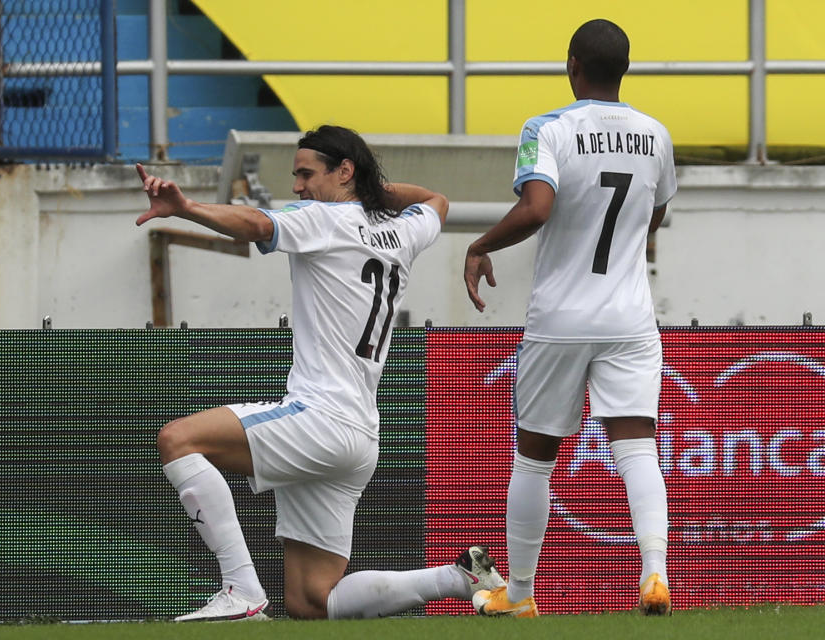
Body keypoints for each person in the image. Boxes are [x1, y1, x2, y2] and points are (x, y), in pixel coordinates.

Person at [136, 124, 505, 621]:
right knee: (312, 602)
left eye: (306, 173)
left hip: (320, 419)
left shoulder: (324, 219)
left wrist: (188, 209)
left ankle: (241, 590)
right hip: (359, 438)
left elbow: (255, 224)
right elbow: (436, 200)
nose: (297, 187)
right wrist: (372, 192)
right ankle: (458, 577)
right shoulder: (404, 230)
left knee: (178, 440)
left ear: (344, 171)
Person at [464, 19, 677, 617]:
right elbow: (652, 216)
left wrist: (479, 245)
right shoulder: (656, 134)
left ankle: (523, 595)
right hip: (631, 319)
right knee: (637, 448)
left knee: (534, 456)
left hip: (560, 317)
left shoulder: (547, 129)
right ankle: (655, 574)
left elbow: (537, 208)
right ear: (625, 69)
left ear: (572, 65)